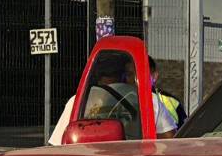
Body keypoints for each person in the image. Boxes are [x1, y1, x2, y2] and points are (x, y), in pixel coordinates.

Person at [47, 56, 177, 144]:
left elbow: (57, 144)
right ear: (123, 75)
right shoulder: (149, 99)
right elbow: (170, 140)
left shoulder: (78, 100)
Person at [149, 56, 186, 129]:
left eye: (141, 74)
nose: (135, 80)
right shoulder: (125, 99)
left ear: (154, 76)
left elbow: (184, 132)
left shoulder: (171, 102)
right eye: (129, 74)